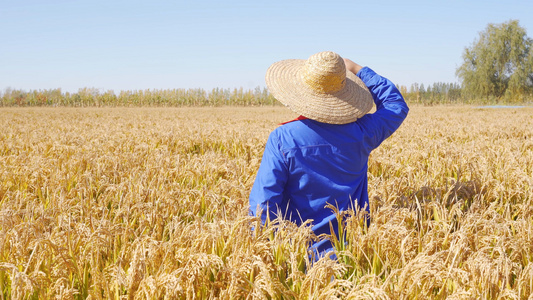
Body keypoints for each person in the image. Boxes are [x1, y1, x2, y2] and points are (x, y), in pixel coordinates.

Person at [249, 51, 409, 258]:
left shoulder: (284, 138)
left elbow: (264, 202)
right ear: (344, 91)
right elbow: (395, 105)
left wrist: (266, 253)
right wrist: (358, 69)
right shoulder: (362, 132)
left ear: (301, 91)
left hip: (298, 254)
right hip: (352, 253)